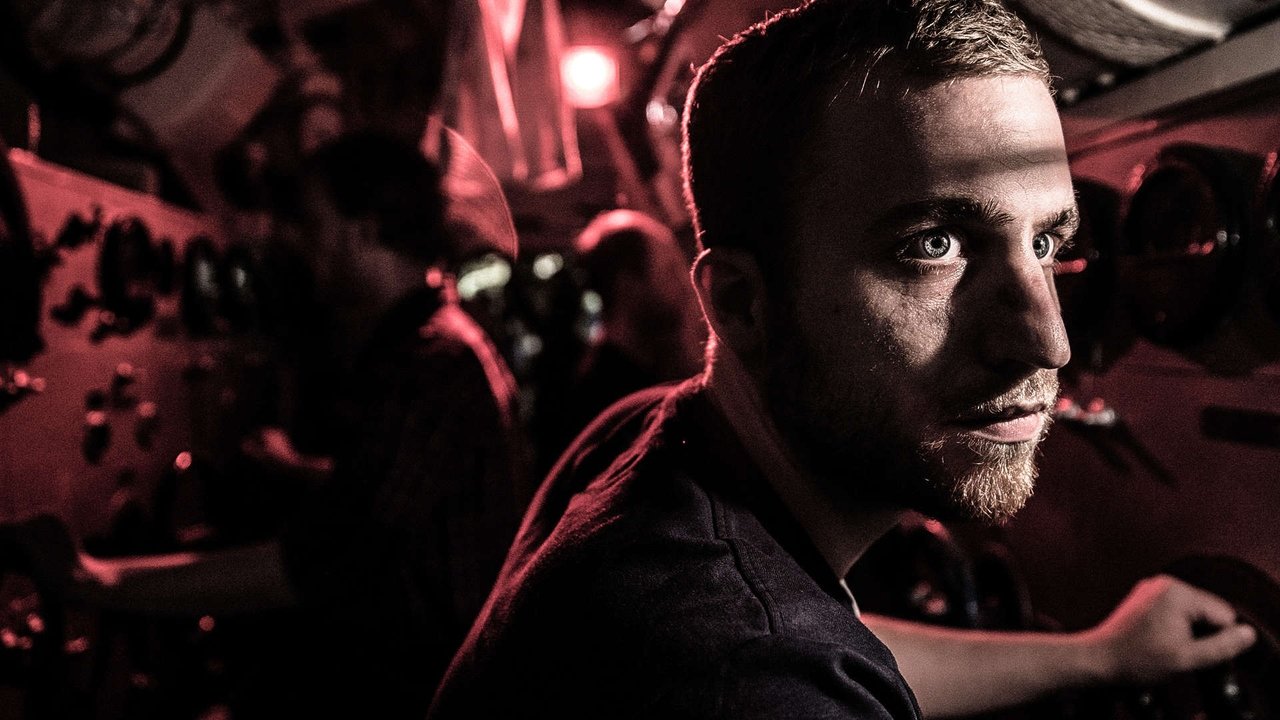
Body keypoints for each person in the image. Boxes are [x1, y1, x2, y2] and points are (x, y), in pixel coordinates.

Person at [428, 1, 1256, 718]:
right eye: (934, 245)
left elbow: (831, 642)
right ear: (743, 305)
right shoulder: (748, 683)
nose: (1049, 341)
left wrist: (1099, 655)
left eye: (1046, 243)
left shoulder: (645, 437)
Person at [32, 131, 530, 717]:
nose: (300, 245)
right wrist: (305, 470)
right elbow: (406, 502)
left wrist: (95, 580)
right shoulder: (442, 345)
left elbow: (323, 565)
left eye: (313, 226)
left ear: (363, 231)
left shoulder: (430, 366)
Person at [536, 209, 705, 465]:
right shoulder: (605, 400)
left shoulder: (647, 368)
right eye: (669, 271)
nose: (684, 285)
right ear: (629, 285)